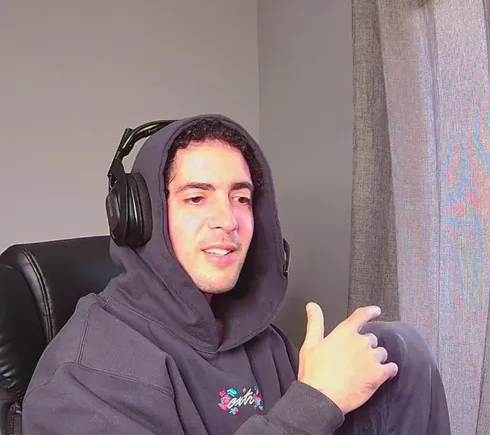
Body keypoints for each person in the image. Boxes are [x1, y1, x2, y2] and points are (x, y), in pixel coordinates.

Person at [22, 115, 451, 435]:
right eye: (196, 198)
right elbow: (306, 414)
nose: (227, 220)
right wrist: (316, 401)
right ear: (141, 218)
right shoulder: (86, 373)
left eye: (241, 198)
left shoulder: (260, 340)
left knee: (396, 348)